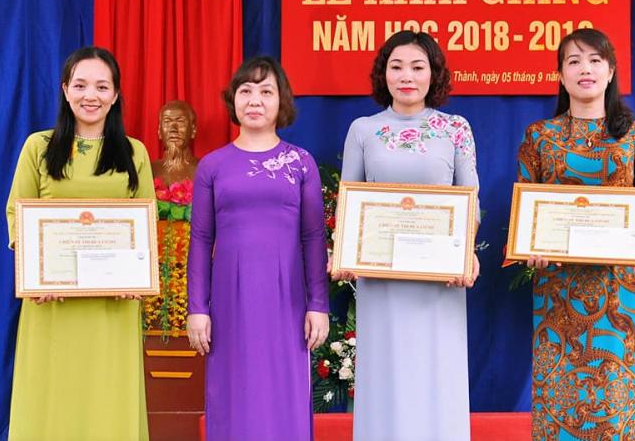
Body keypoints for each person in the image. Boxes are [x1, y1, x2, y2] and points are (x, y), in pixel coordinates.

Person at [517, 28, 635, 440]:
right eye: (574, 61)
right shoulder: (539, 136)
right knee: (562, 392)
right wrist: (531, 246)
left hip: (618, 288)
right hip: (558, 289)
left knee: (615, 395)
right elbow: (527, 208)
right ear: (560, 75)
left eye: (595, 60)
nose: (585, 69)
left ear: (610, 71)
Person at [336, 30, 480, 441]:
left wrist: (466, 253)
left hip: (440, 279)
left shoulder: (455, 128)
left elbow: (470, 200)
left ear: (433, 74)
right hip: (380, 278)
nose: (407, 76)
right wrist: (344, 252)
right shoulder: (363, 130)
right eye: (396, 67)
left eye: (418, 67)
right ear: (384, 73)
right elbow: (349, 199)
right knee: (386, 376)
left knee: (437, 374)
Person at [5, 46, 155, 440]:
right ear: (65, 90)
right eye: (81, 85)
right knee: (52, 399)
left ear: (116, 95)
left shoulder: (134, 152)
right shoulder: (38, 147)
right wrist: (35, 275)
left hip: (113, 306)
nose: (91, 95)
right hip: (51, 304)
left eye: (102, 87)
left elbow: (145, 224)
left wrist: (136, 278)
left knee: (108, 400)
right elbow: (17, 215)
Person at [186, 56, 329, 440]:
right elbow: (200, 239)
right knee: (232, 390)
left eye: (266, 91)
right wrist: (197, 308)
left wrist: (318, 304)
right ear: (233, 99)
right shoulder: (212, 166)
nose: (254, 100)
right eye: (246, 90)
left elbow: (313, 237)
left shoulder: (301, 163)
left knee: (284, 391)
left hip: (287, 300)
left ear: (282, 101)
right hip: (229, 300)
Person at [151, 100, 199, 185]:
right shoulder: (149, 169)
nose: (173, 129)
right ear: (159, 131)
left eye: (180, 122)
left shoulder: (204, 168)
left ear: (193, 130)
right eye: (167, 122)